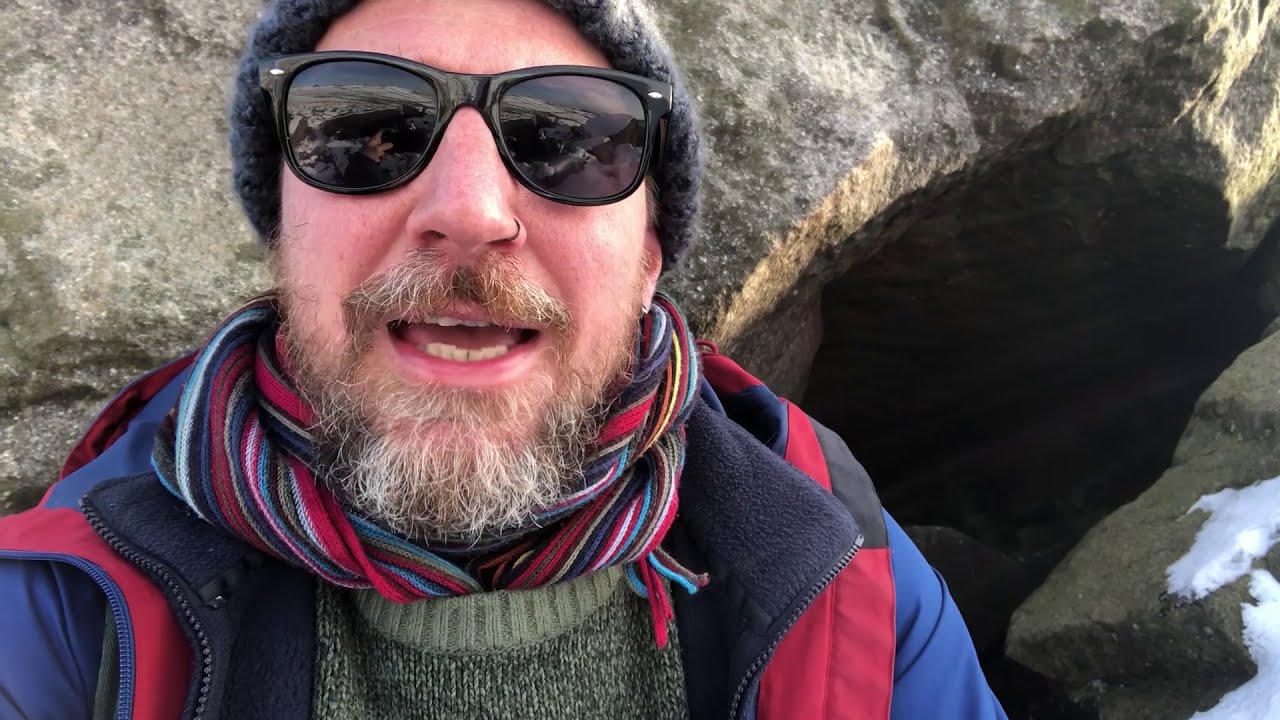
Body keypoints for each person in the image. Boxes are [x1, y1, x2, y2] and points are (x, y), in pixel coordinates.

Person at [0, 0, 1008, 718]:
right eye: (366, 128)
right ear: (283, 234)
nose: (469, 212)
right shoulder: (58, 611)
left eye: (568, 138)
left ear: (650, 257)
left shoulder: (846, 580)